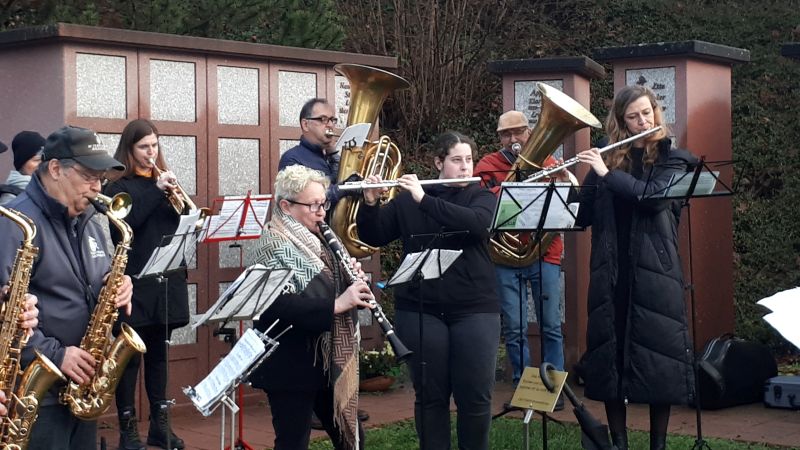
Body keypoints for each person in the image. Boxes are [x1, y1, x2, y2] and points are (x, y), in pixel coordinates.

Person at [357, 131, 500, 450]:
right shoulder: (408, 199)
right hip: (420, 308)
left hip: (474, 308)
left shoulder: (481, 196)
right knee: (431, 397)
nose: (465, 167)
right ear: (438, 163)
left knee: (475, 396)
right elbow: (375, 234)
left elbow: (477, 225)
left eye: (469, 160)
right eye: (456, 160)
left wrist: (424, 200)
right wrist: (370, 202)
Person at [574, 85, 696, 450]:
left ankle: (658, 445)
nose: (643, 121)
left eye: (647, 113)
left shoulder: (674, 158)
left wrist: (605, 173)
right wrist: (574, 185)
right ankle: (619, 444)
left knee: (659, 360)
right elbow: (582, 215)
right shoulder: (609, 157)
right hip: (612, 273)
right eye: (633, 117)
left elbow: (652, 198)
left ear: (656, 112)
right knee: (610, 359)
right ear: (621, 122)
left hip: (655, 272)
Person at [0, 125, 133, 450]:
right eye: (89, 176)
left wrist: (120, 285)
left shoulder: (90, 221)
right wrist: (56, 355)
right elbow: (6, 315)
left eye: (101, 178)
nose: (97, 187)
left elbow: (97, 281)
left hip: (81, 387)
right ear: (56, 169)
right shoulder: (15, 224)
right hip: (36, 397)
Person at [248, 164, 373, 450]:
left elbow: (334, 287)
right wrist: (337, 304)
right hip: (290, 364)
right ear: (286, 206)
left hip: (328, 357)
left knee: (351, 437)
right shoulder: (270, 244)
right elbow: (277, 306)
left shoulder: (322, 238)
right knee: (293, 442)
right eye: (313, 205)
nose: (321, 212)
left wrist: (354, 285)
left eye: (323, 203)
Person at [104, 119, 190, 450]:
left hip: (165, 283)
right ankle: (128, 430)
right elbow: (125, 226)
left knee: (158, 357)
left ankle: (160, 426)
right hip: (134, 284)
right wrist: (156, 191)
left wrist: (179, 202)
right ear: (129, 149)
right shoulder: (117, 187)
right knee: (129, 360)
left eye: (154, 145)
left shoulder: (164, 183)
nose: (150, 152)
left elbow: (180, 226)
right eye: (143, 146)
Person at [474, 111, 568, 409]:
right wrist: (515, 182)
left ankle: (553, 389)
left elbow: (567, 201)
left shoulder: (549, 162)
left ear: (529, 133)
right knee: (514, 328)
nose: (513, 139)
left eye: (519, 132)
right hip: (504, 256)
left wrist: (563, 181)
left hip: (544, 253)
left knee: (550, 325)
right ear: (499, 137)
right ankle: (523, 388)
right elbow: (480, 201)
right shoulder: (487, 165)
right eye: (506, 134)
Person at [278, 98, 347, 207]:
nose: (330, 125)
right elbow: (306, 200)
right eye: (323, 119)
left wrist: (334, 156)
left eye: (332, 120)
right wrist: (343, 189)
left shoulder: (328, 156)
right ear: (305, 124)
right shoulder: (292, 158)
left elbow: (334, 182)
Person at [0, 131, 45, 204]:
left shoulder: (49, 190)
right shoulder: (10, 198)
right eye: (36, 160)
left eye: (45, 160)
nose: (42, 164)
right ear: (22, 163)